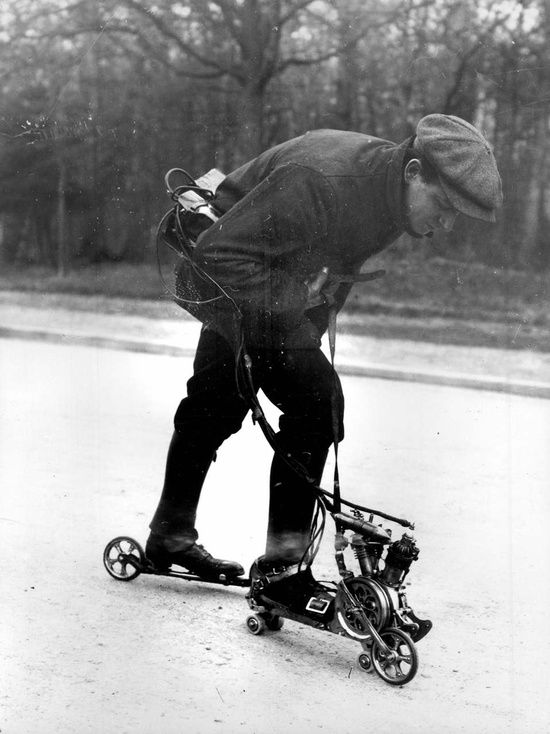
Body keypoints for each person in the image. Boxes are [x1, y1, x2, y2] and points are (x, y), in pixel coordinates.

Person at [145, 114, 502, 596]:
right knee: (316, 400)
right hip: (231, 277)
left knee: (215, 403)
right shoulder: (322, 181)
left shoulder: (389, 193)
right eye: (443, 205)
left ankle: (169, 537)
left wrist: (307, 319)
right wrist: (297, 306)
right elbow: (219, 256)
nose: (445, 223)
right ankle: (282, 571)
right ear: (414, 170)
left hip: (264, 282)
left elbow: (335, 262)